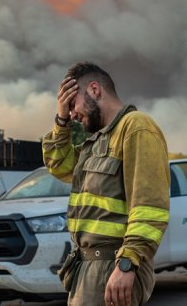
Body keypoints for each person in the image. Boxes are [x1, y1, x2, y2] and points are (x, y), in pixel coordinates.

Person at [42, 62, 170, 306]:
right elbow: (57, 164)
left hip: (113, 267)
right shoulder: (97, 142)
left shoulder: (136, 127)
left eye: (72, 104)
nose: (71, 114)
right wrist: (61, 121)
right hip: (86, 269)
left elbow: (149, 208)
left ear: (94, 90)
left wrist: (127, 263)